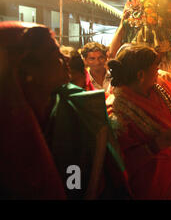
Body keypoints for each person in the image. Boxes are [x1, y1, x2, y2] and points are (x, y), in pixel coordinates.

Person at [0, 22, 128, 199]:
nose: (65, 59)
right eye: (54, 53)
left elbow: (76, 179)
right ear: (23, 68)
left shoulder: (74, 107)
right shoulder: (8, 133)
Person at [107, 45, 171, 199]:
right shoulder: (116, 112)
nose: (158, 71)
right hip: (150, 187)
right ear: (141, 75)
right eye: (155, 67)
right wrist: (158, 144)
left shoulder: (160, 87)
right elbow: (120, 164)